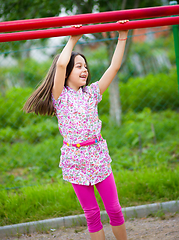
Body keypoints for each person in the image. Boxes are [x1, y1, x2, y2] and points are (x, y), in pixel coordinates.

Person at [23, 20, 129, 240]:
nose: (85, 70)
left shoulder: (92, 93)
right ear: (69, 72)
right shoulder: (60, 96)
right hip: (75, 159)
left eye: (85, 66)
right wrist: (72, 39)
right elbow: (60, 65)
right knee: (92, 214)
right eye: (79, 66)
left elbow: (114, 67)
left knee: (115, 209)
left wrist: (123, 36)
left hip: (98, 155)